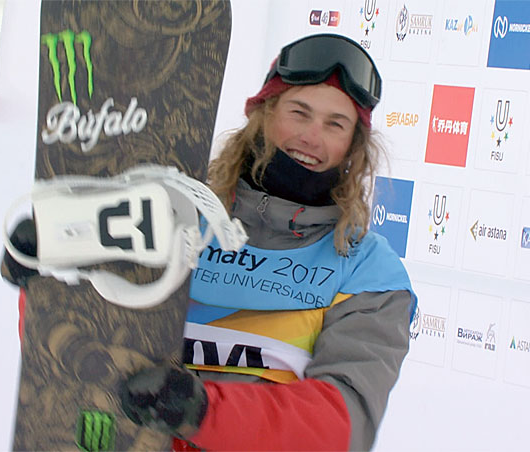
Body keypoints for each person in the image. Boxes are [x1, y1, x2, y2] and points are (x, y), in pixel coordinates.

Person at [119, 34, 417, 451]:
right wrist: (42, 274)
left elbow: (339, 426)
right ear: (263, 114)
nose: (312, 137)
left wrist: (204, 412)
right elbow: (78, 329)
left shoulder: (369, 272)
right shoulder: (177, 219)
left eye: (335, 124)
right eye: (299, 112)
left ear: (353, 146)